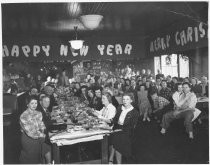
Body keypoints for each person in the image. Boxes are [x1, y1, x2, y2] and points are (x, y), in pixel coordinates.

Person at [110, 93, 139, 164]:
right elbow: (115, 119)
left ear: (131, 100)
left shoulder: (134, 112)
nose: (125, 101)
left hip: (127, 131)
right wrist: (109, 122)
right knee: (110, 136)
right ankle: (112, 160)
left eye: (127, 99)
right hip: (117, 128)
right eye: (123, 99)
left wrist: (119, 130)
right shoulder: (120, 107)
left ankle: (112, 161)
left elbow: (132, 127)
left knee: (117, 140)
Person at [19, 96, 50, 164]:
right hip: (29, 139)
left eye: (35, 103)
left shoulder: (38, 113)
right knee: (34, 160)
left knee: (46, 149)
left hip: (39, 136)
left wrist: (43, 129)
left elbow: (41, 124)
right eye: (32, 103)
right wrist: (42, 135)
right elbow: (31, 133)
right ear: (27, 104)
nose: (34, 105)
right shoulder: (24, 116)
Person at [37, 95, 52, 164]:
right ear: (40, 102)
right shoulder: (40, 111)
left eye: (48, 101)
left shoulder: (44, 109)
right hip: (42, 135)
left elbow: (48, 121)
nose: (47, 103)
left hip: (45, 132)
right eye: (45, 101)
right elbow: (45, 125)